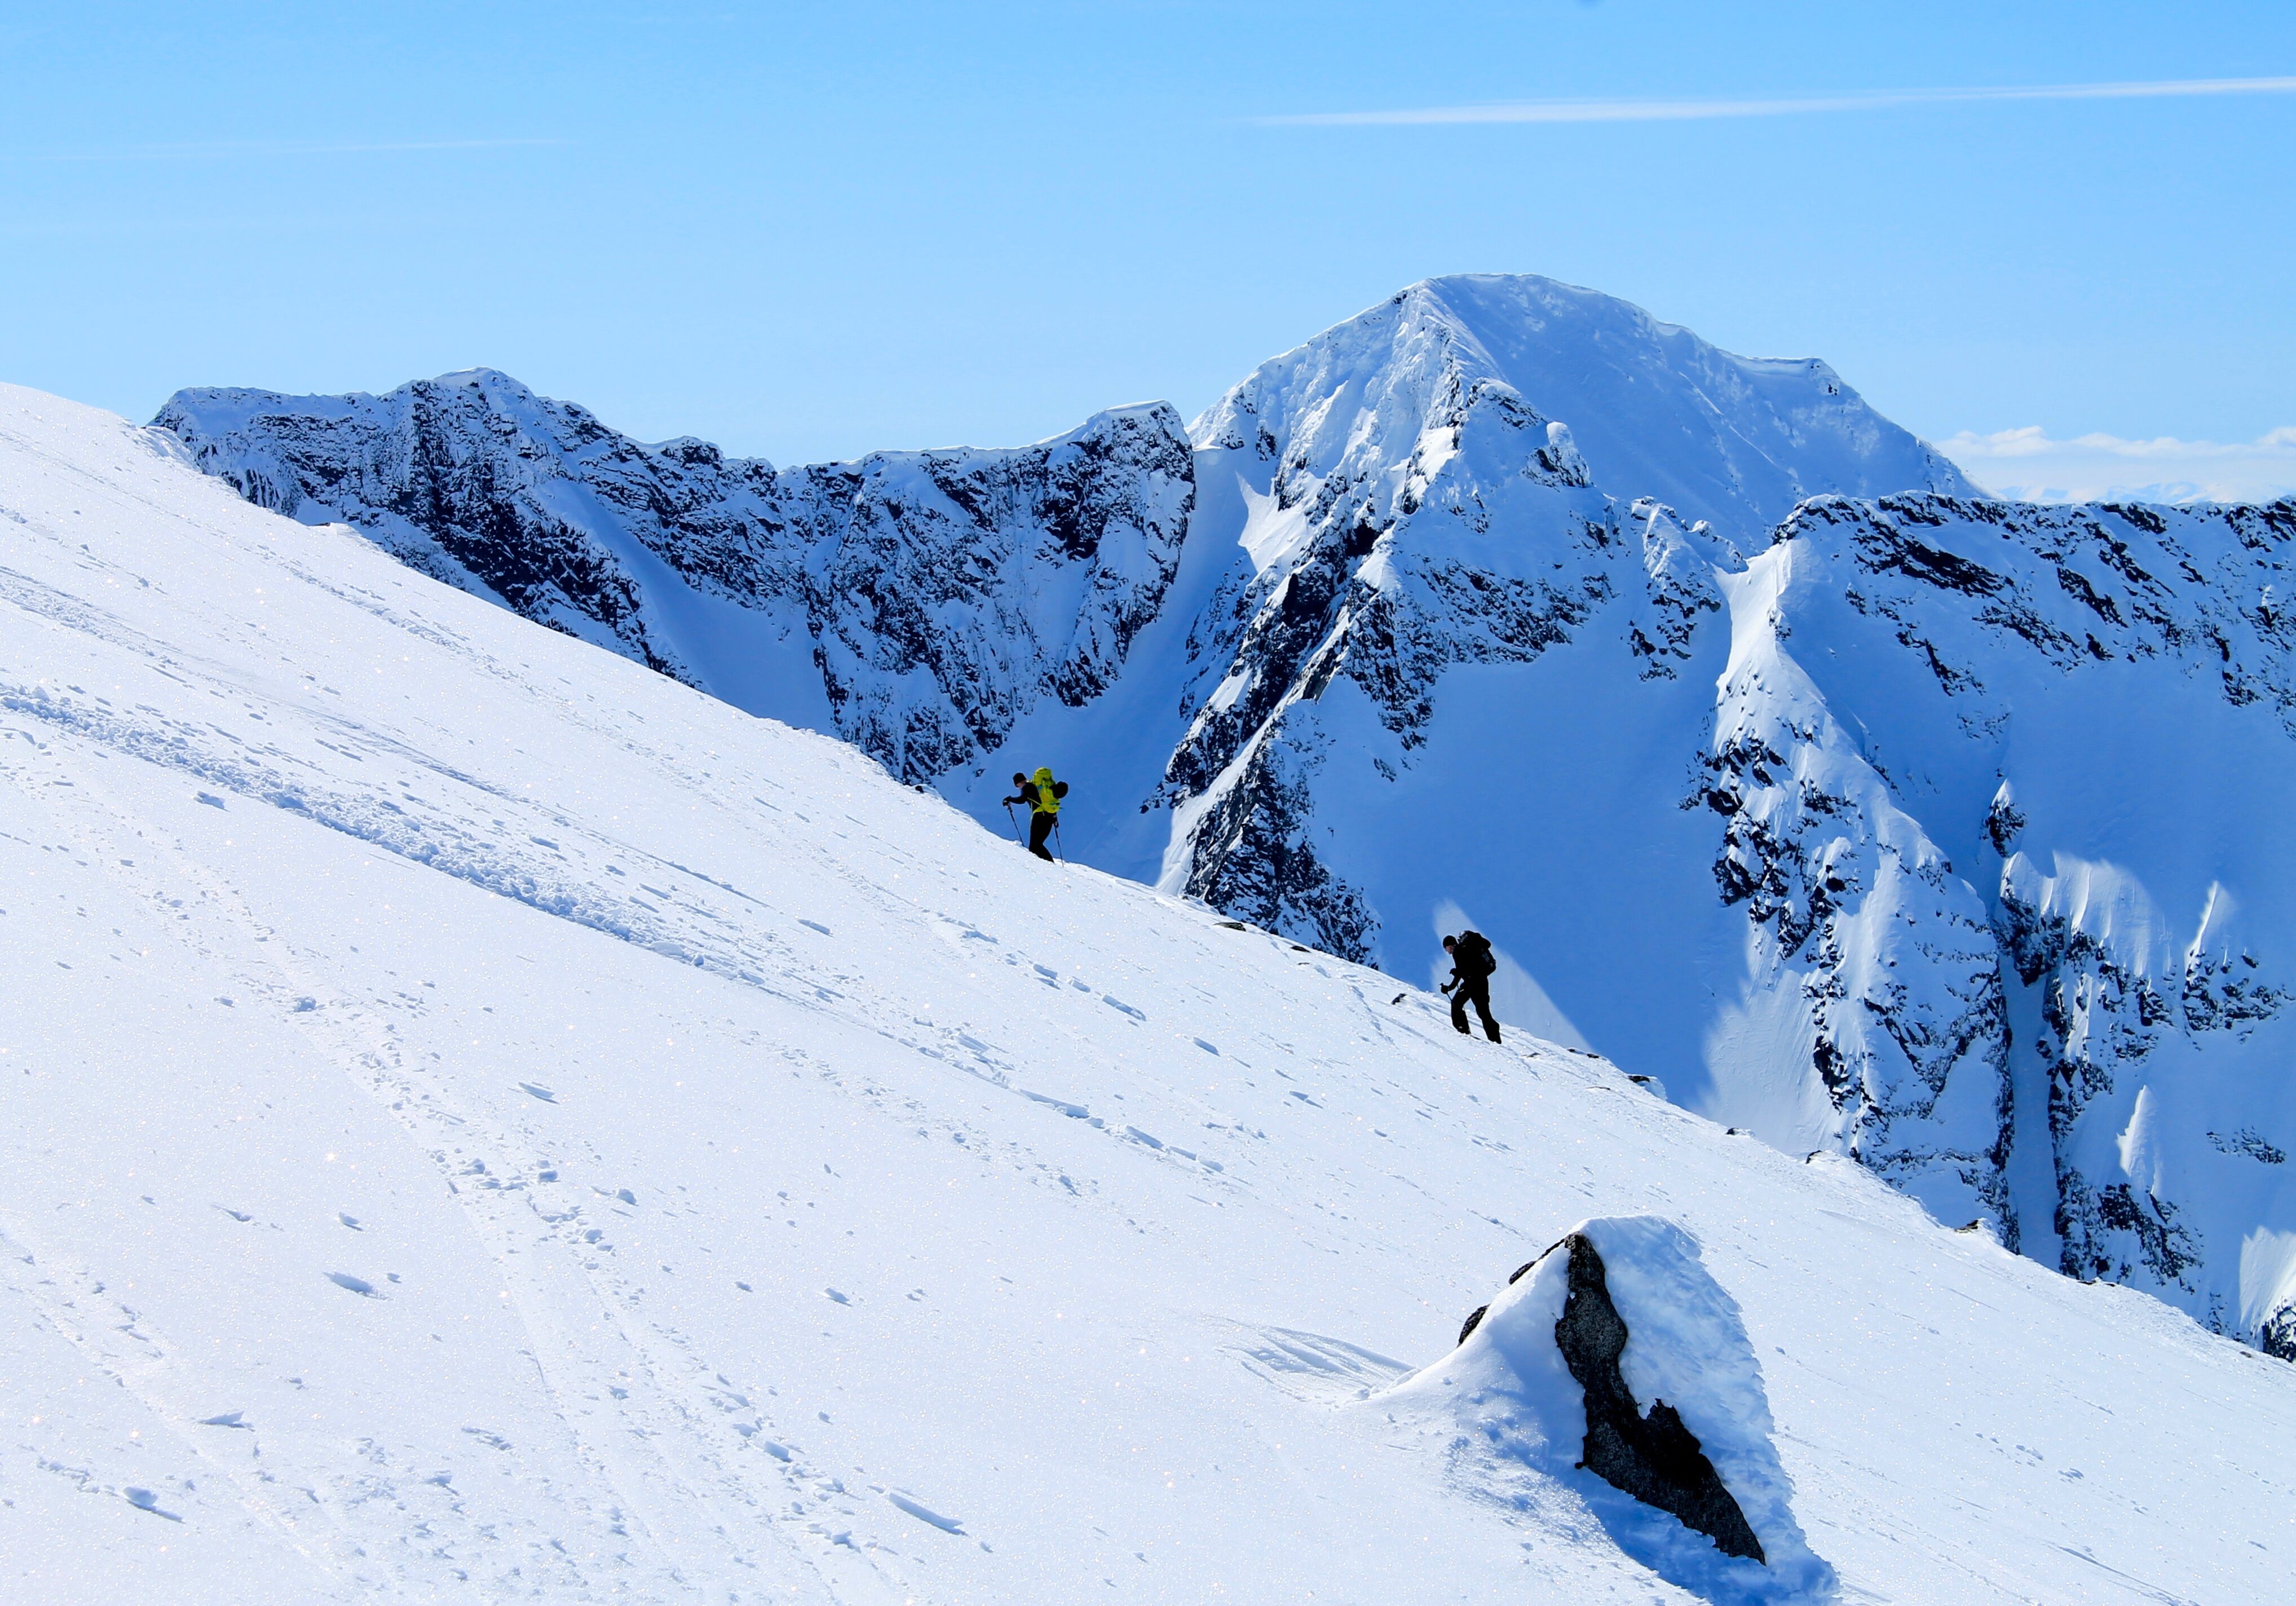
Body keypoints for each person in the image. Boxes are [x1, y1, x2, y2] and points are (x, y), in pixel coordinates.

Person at [1442, 930, 1501, 1044]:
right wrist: (1457, 973)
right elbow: (1464, 969)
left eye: (1446, 948)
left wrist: (1449, 988)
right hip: (1482, 982)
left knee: (1456, 1004)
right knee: (1483, 1012)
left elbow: (1460, 972)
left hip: (1471, 984)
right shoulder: (1466, 949)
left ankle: (1463, 1031)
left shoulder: (1458, 951)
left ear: (1450, 945)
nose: (1447, 951)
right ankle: (1495, 1039)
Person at [1002, 766, 1066, 862]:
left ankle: (1050, 868)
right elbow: (1047, 802)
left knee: (1034, 847)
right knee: (1038, 845)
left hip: (1039, 817)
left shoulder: (1027, 787)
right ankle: (1050, 866)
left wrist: (1009, 799)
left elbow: (1022, 800)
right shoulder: (1036, 787)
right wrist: (1054, 818)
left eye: (1017, 786)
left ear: (1019, 782)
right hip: (1049, 817)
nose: (1018, 788)